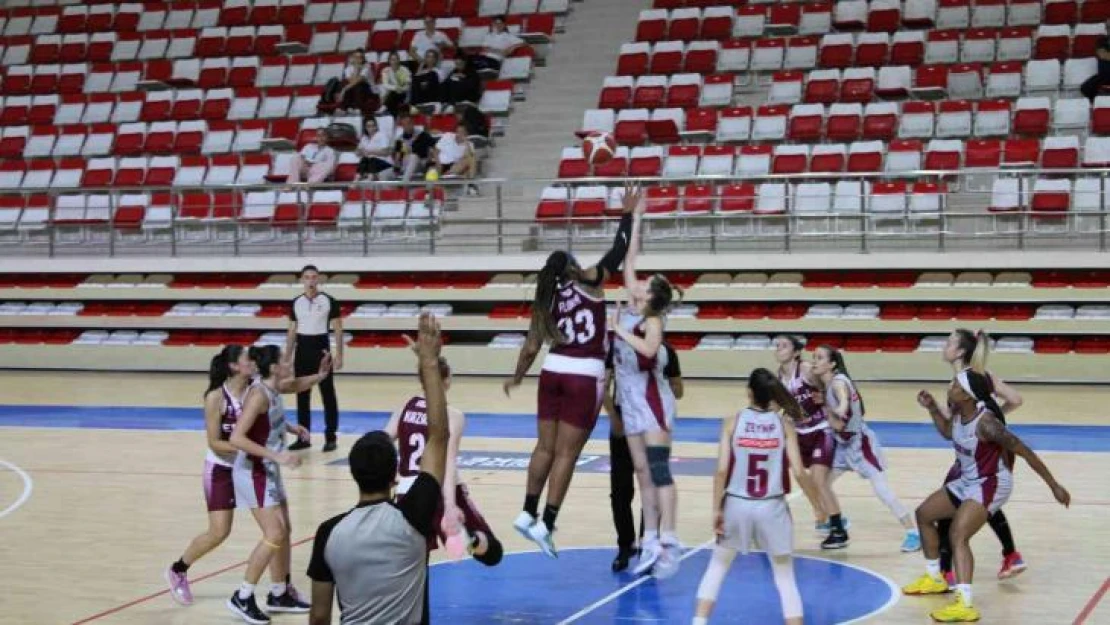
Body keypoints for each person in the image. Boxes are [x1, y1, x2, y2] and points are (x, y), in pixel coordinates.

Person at [504, 184, 645, 557]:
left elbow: (532, 346)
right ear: (571, 266)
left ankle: (526, 510)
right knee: (568, 453)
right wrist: (627, 214)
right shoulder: (590, 282)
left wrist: (517, 376)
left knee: (544, 447)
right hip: (584, 372)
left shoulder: (546, 300)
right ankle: (546, 523)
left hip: (552, 370)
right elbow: (618, 251)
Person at [307, 313, 448, 625]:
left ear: (354, 473)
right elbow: (438, 437)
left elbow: (318, 616)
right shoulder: (414, 516)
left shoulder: (328, 533)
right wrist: (429, 363)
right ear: (395, 473)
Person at [903, 366, 1070, 623]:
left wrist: (1054, 485)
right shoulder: (959, 413)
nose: (951, 388)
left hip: (992, 483)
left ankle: (965, 603)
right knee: (924, 514)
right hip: (968, 479)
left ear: (969, 395)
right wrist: (933, 409)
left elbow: (1025, 451)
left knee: (958, 535)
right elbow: (949, 432)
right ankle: (935, 577)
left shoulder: (987, 424)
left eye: (956, 386)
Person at [691, 368, 818, 625]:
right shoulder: (784, 425)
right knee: (784, 577)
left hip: (737, 503)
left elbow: (721, 471)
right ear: (771, 395)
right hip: (771, 506)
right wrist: (819, 506)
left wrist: (716, 510)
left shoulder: (732, 422)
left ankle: (699, 622)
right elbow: (799, 472)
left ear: (749, 392)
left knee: (717, 566)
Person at [227, 345, 331, 624]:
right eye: (285, 360)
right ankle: (243, 596)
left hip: (268, 468)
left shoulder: (273, 388)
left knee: (285, 531)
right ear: (273, 367)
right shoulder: (258, 395)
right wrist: (277, 455)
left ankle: (279, 593)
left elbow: (295, 385)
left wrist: (320, 377)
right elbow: (237, 437)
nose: (289, 363)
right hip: (253, 471)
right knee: (275, 533)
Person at [608, 225, 684, 578]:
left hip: (653, 402)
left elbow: (651, 350)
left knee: (658, 470)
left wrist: (618, 330)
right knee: (642, 475)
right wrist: (635, 219)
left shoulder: (652, 320)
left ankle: (670, 539)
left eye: (644, 283)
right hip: (630, 402)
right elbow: (629, 259)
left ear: (651, 295)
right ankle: (650, 540)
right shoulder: (633, 308)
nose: (636, 283)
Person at [384, 349, 504, 564]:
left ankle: (458, 536)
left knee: (416, 567)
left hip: (406, 492)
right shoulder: (453, 416)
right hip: (439, 489)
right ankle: (470, 538)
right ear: (447, 380)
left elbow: (381, 442)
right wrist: (450, 505)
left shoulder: (405, 407)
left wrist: (389, 476)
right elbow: (447, 462)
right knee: (493, 553)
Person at [934, 329, 1028, 586]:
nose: (945, 345)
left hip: (985, 449)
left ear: (961, 351)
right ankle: (1011, 555)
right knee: (982, 501)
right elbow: (1015, 399)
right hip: (990, 448)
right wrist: (998, 418)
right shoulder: (982, 375)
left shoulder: (966, 380)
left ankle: (946, 573)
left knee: (956, 503)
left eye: (950, 342)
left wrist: (986, 423)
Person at [165, 346, 253, 605]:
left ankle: (280, 588)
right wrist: (250, 451)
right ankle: (178, 569)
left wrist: (291, 427)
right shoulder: (216, 397)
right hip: (220, 470)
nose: (253, 362)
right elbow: (215, 442)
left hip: (247, 468)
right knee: (219, 532)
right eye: (248, 359)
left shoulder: (254, 391)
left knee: (275, 527)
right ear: (234, 366)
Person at [812, 345, 921, 552]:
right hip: (843, 446)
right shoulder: (829, 383)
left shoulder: (838, 383)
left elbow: (842, 407)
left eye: (819, 358)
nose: (815, 361)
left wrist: (837, 408)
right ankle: (837, 521)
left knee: (882, 491)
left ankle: (913, 532)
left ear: (832, 364)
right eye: (814, 357)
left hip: (860, 445)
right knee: (822, 483)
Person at [606, 340, 682, 572]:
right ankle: (624, 545)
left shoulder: (666, 351)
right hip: (624, 416)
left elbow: (678, 390)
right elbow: (602, 386)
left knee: (652, 480)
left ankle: (648, 544)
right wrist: (613, 417)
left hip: (651, 417)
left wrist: (663, 384)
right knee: (620, 489)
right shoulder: (616, 347)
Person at [773, 335, 850, 550]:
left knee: (819, 480)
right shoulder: (779, 377)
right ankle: (823, 512)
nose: (779, 349)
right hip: (798, 432)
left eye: (784, 345)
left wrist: (828, 399)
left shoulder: (807, 369)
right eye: (777, 345)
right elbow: (781, 405)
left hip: (820, 430)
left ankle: (837, 528)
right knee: (798, 474)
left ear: (796, 352)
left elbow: (830, 383)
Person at [286, 265, 343, 453]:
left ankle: (330, 437)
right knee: (302, 395)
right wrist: (287, 356)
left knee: (328, 395)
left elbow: (338, 329)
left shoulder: (329, 301)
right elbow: (292, 330)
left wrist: (339, 354)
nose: (310, 281)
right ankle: (304, 437)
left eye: (313, 277)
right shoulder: (296, 303)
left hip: (322, 351)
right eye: (307, 277)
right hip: (302, 351)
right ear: (302, 280)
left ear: (318, 279)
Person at [319, 49, 379, 115]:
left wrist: (344, 90)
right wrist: (356, 69)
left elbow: (358, 80)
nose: (358, 59)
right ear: (352, 58)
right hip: (355, 89)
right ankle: (345, 108)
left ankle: (356, 108)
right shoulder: (349, 68)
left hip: (370, 91)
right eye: (356, 57)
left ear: (363, 59)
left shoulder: (367, 67)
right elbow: (351, 81)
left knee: (358, 85)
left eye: (360, 57)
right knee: (344, 83)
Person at [431, 122, 478, 195]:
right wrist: (438, 164)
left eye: (462, 132)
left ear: (466, 133)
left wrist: (466, 143)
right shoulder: (447, 136)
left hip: (454, 167)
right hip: (440, 164)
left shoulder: (469, 144)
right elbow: (435, 152)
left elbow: (470, 159)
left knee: (471, 158)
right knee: (432, 170)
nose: (459, 134)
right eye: (458, 131)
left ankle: (471, 184)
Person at [393, 113, 437, 182]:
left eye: (408, 123)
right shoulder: (400, 139)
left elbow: (434, 148)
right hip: (406, 164)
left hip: (421, 163)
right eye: (404, 125)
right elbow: (397, 158)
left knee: (414, 157)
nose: (407, 126)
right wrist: (396, 169)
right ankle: (403, 182)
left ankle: (404, 183)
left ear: (412, 123)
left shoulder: (422, 135)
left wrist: (437, 163)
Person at [356, 117, 395, 181]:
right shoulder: (364, 138)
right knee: (364, 160)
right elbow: (357, 152)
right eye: (368, 126)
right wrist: (361, 152)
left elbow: (385, 152)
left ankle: (370, 179)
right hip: (370, 164)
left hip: (384, 163)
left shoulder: (381, 135)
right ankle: (355, 181)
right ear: (365, 128)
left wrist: (370, 152)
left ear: (376, 126)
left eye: (373, 126)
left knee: (371, 159)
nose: (371, 128)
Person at [1080, 23, 1110, 102]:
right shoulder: (1102, 41)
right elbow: (1102, 55)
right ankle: (1096, 103)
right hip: (1105, 74)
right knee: (1086, 87)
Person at [380, 51, 412, 117]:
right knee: (391, 93)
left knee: (393, 94)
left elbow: (408, 86)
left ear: (399, 60)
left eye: (396, 59)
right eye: (392, 60)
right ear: (389, 61)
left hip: (403, 94)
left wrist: (400, 89)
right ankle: (392, 115)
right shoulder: (385, 70)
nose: (394, 62)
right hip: (390, 94)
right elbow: (385, 84)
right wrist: (396, 88)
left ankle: (385, 107)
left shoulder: (404, 70)